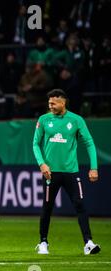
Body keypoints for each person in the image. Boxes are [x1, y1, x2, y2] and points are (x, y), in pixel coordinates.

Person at [33, 89, 100, 255]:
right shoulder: (43, 119)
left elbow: (89, 142)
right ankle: (43, 242)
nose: (51, 106)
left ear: (63, 102)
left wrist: (94, 167)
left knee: (80, 205)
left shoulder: (76, 120)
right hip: (50, 173)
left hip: (71, 171)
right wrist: (42, 164)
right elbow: (35, 143)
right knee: (47, 207)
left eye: (54, 103)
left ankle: (88, 243)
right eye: (49, 103)